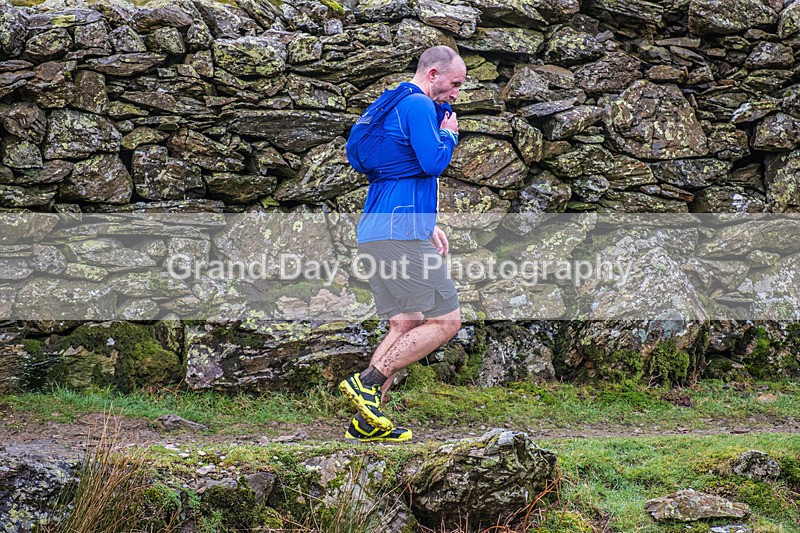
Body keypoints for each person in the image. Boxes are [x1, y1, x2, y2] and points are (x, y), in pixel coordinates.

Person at [339, 46, 466, 443]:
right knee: (447, 320)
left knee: (405, 322)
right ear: (432, 74)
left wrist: (427, 224)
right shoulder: (418, 106)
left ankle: (366, 422)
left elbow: (399, 169)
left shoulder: (390, 102)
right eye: (454, 84)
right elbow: (432, 164)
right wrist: (449, 134)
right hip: (399, 235)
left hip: (380, 230)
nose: (456, 94)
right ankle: (369, 382)